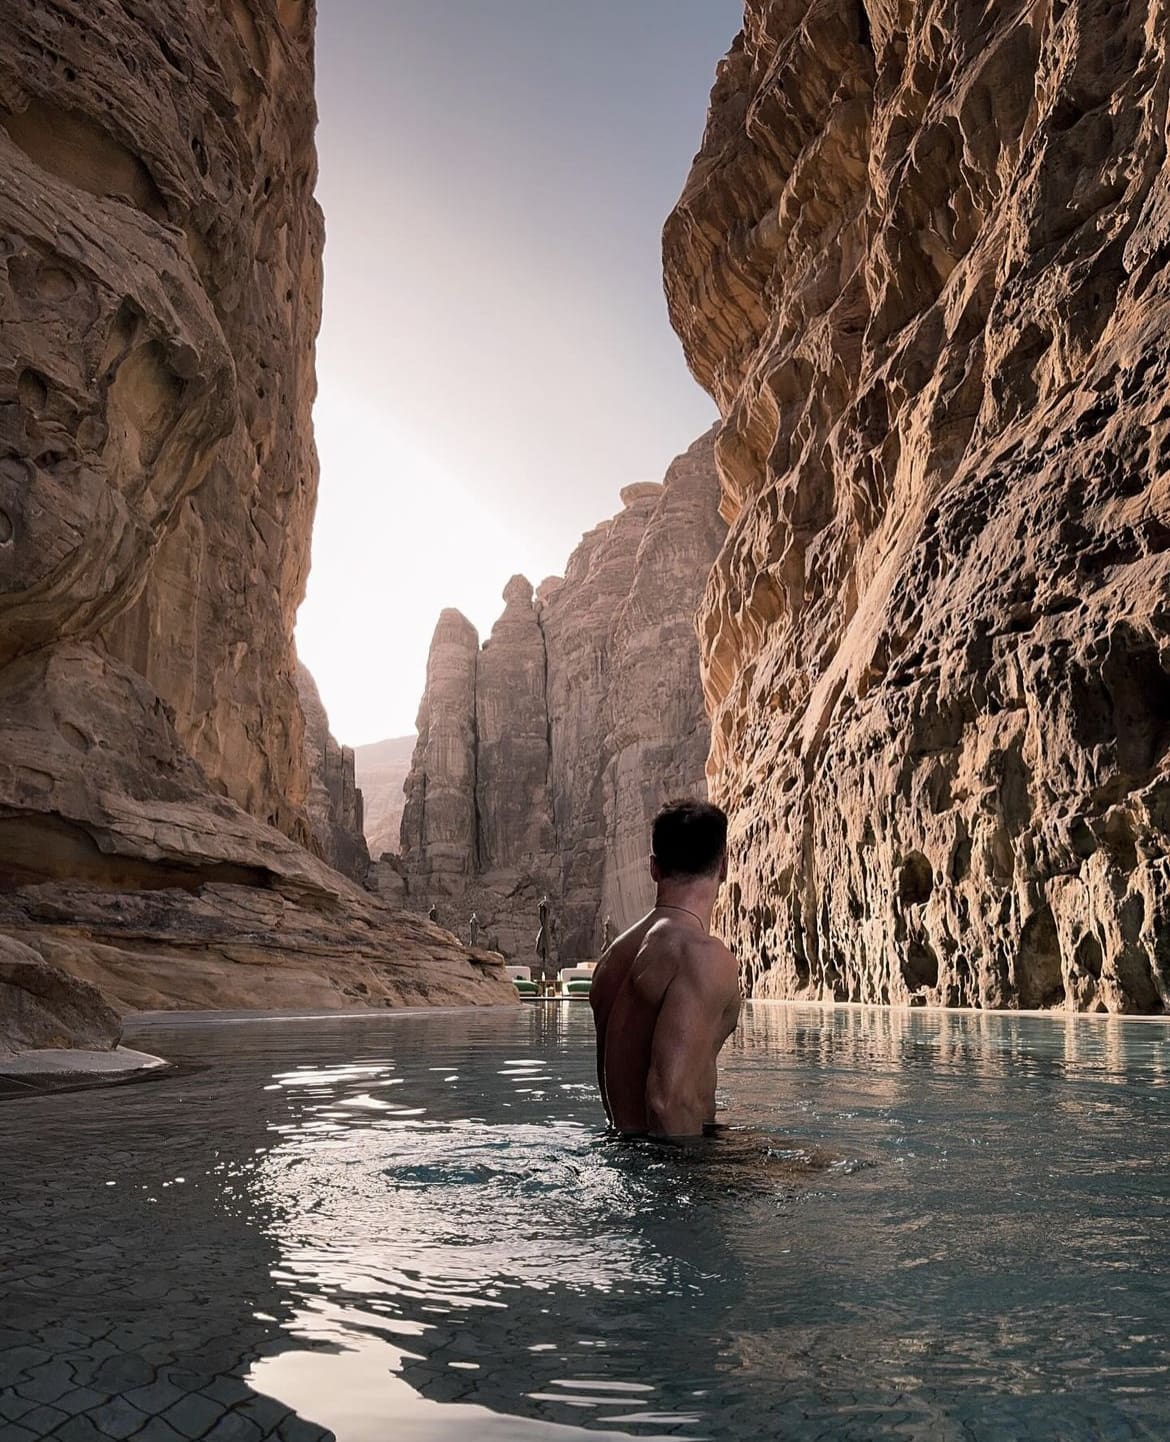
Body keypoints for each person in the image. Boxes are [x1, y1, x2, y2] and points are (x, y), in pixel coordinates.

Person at [590, 799, 740, 1141]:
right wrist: (697, 1187)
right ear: (724, 868)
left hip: (620, 1150)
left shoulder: (611, 960)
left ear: (654, 868)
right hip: (673, 1169)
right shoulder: (701, 955)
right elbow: (666, 1102)